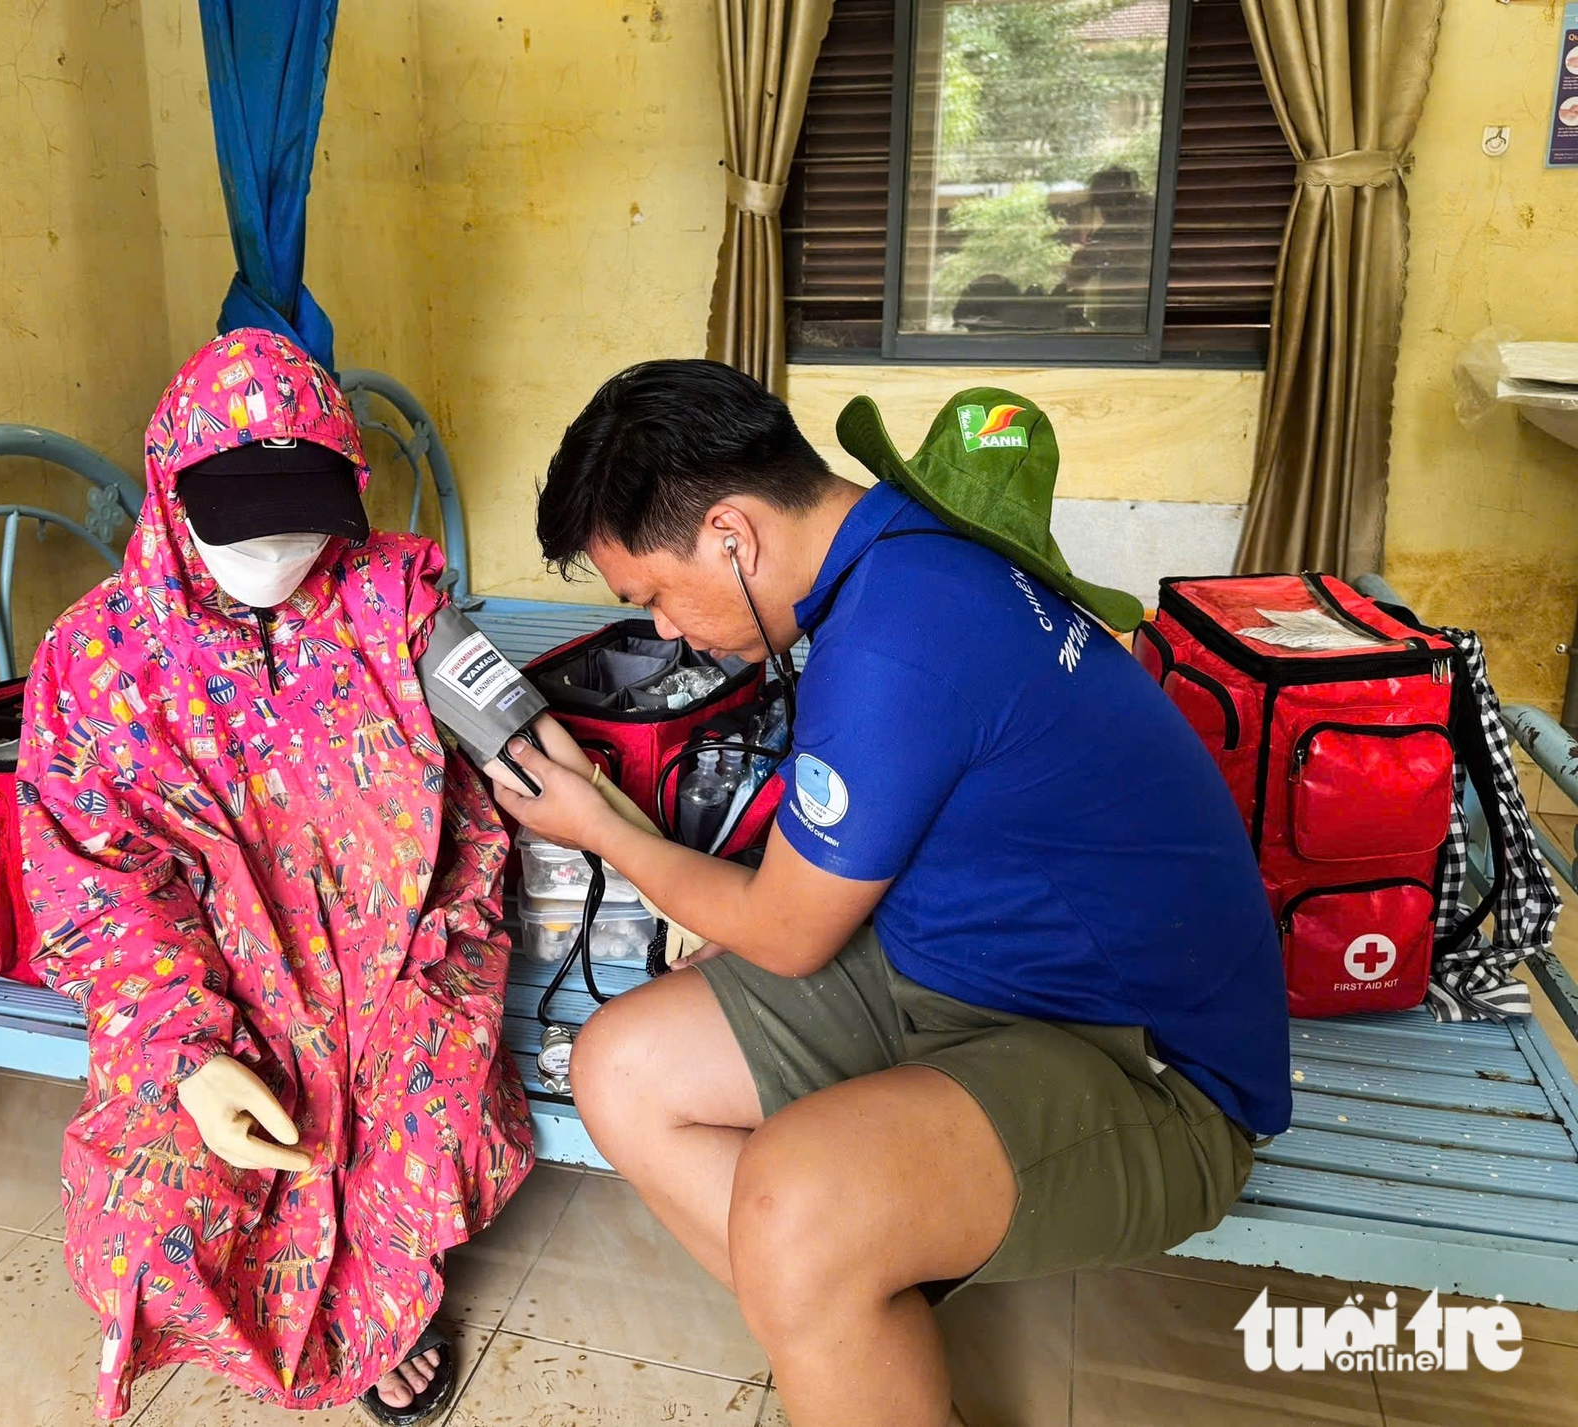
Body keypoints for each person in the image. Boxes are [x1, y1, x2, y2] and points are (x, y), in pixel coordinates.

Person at [490, 361, 1291, 1427]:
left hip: (1142, 1062)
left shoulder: (897, 638)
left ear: (731, 534)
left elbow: (783, 930)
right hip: (954, 964)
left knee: (797, 1209)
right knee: (620, 1066)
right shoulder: (899, 552)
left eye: (651, 596)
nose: (670, 633)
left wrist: (594, 822)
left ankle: (836, 1307)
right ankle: (850, 1333)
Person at [18, 329, 533, 1423]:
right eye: (245, 519)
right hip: (215, 974)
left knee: (410, 1116)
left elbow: (517, 752)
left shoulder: (390, 598)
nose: (279, 546)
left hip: (404, 939)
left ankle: (386, 1300)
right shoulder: (92, 660)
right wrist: (186, 1046)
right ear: (169, 487)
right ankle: (306, 1293)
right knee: (160, 1199)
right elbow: (98, 881)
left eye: (306, 518)